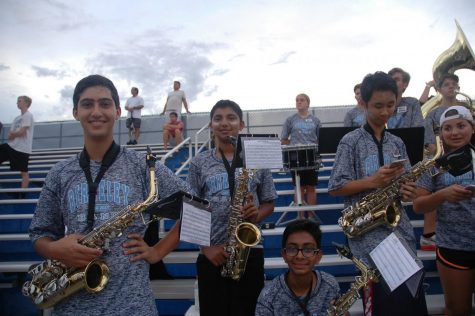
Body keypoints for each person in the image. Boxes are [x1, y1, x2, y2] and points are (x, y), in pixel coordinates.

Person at [29, 75, 190, 316]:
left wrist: (157, 251)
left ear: (117, 111)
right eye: (87, 104)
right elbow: (40, 234)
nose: (96, 112)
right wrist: (55, 250)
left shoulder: (144, 166)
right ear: (75, 112)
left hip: (133, 306)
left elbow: (197, 208)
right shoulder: (59, 173)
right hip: (71, 307)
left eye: (104, 104)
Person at [328, 71, 428, 316]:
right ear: (363, 103)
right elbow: (335, 187)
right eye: (378, 106)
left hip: (399, 232)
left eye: (390, 105)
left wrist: (408, 190)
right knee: (386, 305)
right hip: (368, 234)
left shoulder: (397, 142)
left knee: (410, 303)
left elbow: (403, 189)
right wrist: (372, 181)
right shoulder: (349, 141)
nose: (385, 112)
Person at [187, 99, 277, 316]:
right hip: (212, 253)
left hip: (249, 251)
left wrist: (257, 213)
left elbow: (269, 203)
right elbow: (191, 209)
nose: (224, 123)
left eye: (231, 118)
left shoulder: (256, 158)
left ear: (242, 125)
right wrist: (205, 248)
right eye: (217, 118)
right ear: (211, 125)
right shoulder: (198, 163)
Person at [414, 106, 475, 316]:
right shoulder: (432, 165)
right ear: (441, 134)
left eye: (461, 125)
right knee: (458, 309)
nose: (455, 132)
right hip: (453, 245)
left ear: (472, 128)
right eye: (447, 128)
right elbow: (418, 205)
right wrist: (442, 195)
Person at [255, 219, 340, 316]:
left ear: (318, 256)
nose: (299, 256)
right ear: (284, 254)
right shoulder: (268, 295)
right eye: (292, 249)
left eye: (308, 249)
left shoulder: (330, 285)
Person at [281, 93, 321, 219]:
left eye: (302, 100)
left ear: (308, 103)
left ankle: (311, 217)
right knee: (299, 187)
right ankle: (301, 218)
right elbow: (284, 139)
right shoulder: (290, 119)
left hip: (312, 156)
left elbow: (321, 139)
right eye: (297, 100)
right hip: (296, 158)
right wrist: (293, 148)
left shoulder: (316, 120)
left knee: (310, 187)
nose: (299, 102)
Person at [0, 95, 34, 190]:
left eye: (19, 101)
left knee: (24, 172)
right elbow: (10, 135)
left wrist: (15, 134)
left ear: (26, 103)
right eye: (17, 101)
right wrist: (15, 134)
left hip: (22, 149)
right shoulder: (16, 118)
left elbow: (22, 132)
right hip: (12, 146)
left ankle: (22, 195)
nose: (17, 103)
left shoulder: (28, 115)